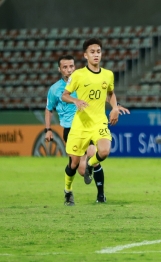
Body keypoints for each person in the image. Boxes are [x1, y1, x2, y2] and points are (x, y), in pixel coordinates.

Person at [45, 54, 129, 206]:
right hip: (71, 128)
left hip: (91, 124)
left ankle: (101, 195)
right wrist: (48, 129)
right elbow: (49, 109)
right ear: (60, 69)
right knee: (77, 166)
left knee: (94, 158)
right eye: (65, 67)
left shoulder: (82, 79)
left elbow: (101, 94)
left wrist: (116, 106)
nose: (69, 70)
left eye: (71, 66)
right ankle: (68, 192)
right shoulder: (55, 89)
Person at [61, 38, 121, 206]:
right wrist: (75, 101)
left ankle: (90, 164)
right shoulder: (78, 75)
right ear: (85, 55)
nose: (96, 55)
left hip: (99, 122)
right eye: (92, 52)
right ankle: (68, 191)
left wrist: (115, 107)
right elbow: (64, 95)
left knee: (104, 151)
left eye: (98, 52)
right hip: (81, 124)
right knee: (73, 163)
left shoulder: (108, 74)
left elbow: (110, 93)